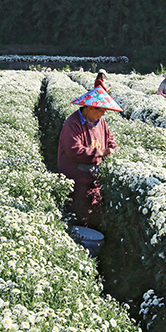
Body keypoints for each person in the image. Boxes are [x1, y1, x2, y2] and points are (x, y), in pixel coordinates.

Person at [58, 87, 122, 227]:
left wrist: (114, 150)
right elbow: (74, 150)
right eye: (101, 109)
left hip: (94, 177)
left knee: (93, 212)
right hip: (77, 178)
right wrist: (101, 152)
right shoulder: (73, 123)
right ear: (90, 107)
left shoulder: (101, 122)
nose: (104, 113)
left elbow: (110, 140)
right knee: (78, 212)